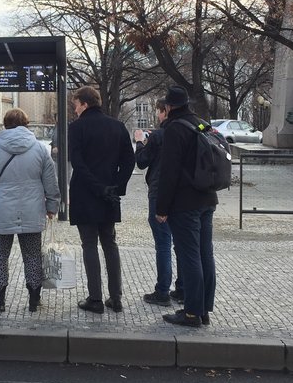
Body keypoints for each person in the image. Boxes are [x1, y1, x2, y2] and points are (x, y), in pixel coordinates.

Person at [0, 108, 59, 313]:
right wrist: (52, 206)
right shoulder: (39, 149)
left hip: (2, 211)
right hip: (32, 210)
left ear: (5, 124)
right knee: (33, 256)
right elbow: (51, 182)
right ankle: (34, 300)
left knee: (0, 256)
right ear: (26, 124)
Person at [68, 86, 135, 314]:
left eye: (75, 104)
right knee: (110, 243)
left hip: (86, 193)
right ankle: (116, 297)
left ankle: (95, 298)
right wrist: (116, 186)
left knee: (89, 244)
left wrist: (98, 187)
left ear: (84, 104)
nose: (74, 109)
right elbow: (129, 160)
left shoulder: (77, 128)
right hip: (110, 195)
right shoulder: (117, 126)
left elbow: (78, 163)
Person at [156, 86, 218, 328]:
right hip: (207, 198)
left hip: (185, 203)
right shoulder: (200, 124)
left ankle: (191, 313)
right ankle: (203, 309)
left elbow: (169, 173)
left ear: (170, 106)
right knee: (205, 255)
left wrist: (162, 208)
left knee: (189, 256)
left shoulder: (174, 129)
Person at [134, 98, 183, 306]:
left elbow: (142, 162)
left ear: (165, 111)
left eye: (158, 112)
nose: (158, 115)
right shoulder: (185, 131)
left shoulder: (159, 135)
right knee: (181, 244)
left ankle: (162, 290)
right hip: (181, 194)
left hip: (158, 192)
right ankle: (182, 289)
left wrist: (138, 142)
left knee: (163, 244)